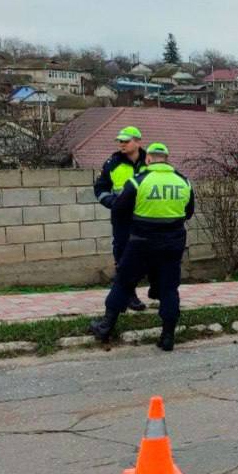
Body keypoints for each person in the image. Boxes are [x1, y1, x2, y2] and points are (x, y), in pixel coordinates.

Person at [89, 143, 195, 351]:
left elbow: (119, 210)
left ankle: (105, 327)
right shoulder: (184, 182)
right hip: (173, 243)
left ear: (148, 159)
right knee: (169, 288)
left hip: (141, 242)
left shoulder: (138, 181)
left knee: (123, 282)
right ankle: (167, 336)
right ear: (167, 159)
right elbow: (188, 212)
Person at [94, 125, 150, 311]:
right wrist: (113, 202)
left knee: (146, 256)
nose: (122, 144)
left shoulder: (149, 162)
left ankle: (153, 288)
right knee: (123, 256)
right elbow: (100, 188)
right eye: (120, 141)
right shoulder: (113, 163)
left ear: (137, 142)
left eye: (126, 141)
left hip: (146, 218)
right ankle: (129, 294)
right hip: (122, 219)